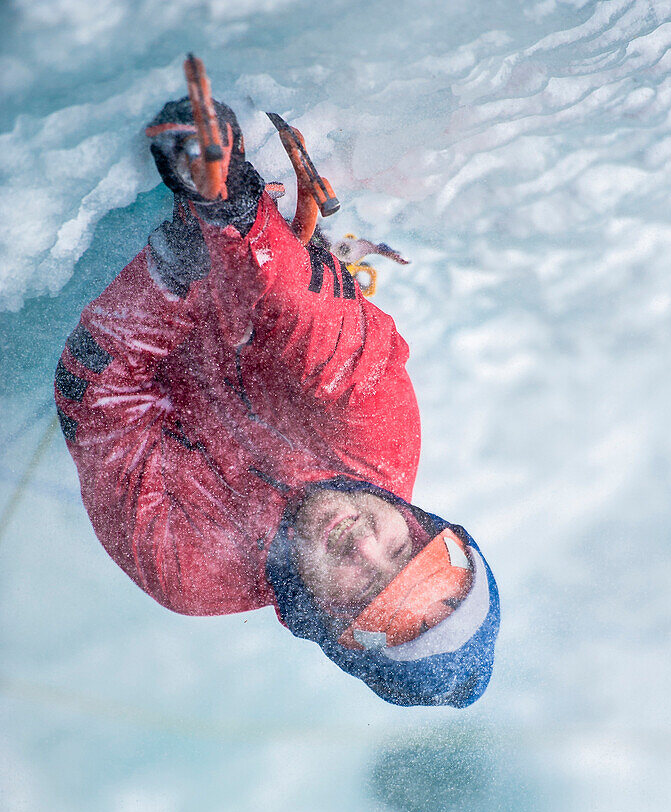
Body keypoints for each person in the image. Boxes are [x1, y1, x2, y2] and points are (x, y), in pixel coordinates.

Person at [54, 96, 499, 707]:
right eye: (400, 548)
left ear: (323, 621)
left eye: (364, 586)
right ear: (421, 522)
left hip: (154, 313)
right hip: (243, 283)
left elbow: (93, 404)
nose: (364, 545)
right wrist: (232, 208)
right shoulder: (382, 433)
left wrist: (174, 272)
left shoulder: (189, 570)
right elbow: (300, 308)